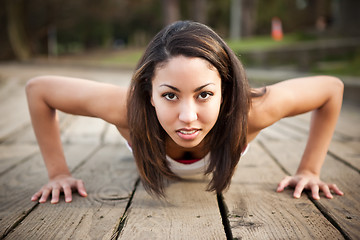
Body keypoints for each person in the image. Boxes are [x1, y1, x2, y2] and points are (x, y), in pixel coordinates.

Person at [26, 21, 344, 204]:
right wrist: (58, 174)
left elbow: (331, 88)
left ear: (226, 91)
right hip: (147, 149)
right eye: (170, 95)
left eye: (204, 94)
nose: (188, 116)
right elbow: (39, 90)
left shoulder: (252, 111)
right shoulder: (126, 109)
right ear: (149, 94)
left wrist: (310, 171)